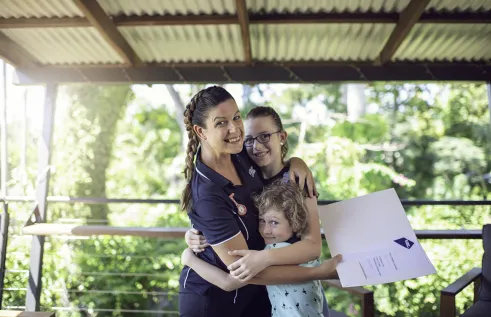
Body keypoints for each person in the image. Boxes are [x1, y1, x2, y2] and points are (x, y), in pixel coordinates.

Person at [180, 99, 340, 317]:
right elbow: (216, 216)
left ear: (282, 137)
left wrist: (298, 161)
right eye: (249, 140)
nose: (256, 146)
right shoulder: (243, 169)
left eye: (265, 136)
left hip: (296, 291)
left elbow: (312, 246)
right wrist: (193, 235)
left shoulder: (296, 180)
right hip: (263, 296)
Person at [182, 179, 326, 317]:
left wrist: (189, 259)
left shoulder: (273, 251)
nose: (265, 230)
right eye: (262, 221)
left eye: (274, 223)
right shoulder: (301, 250)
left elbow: (228, 282)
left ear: (295, 223)